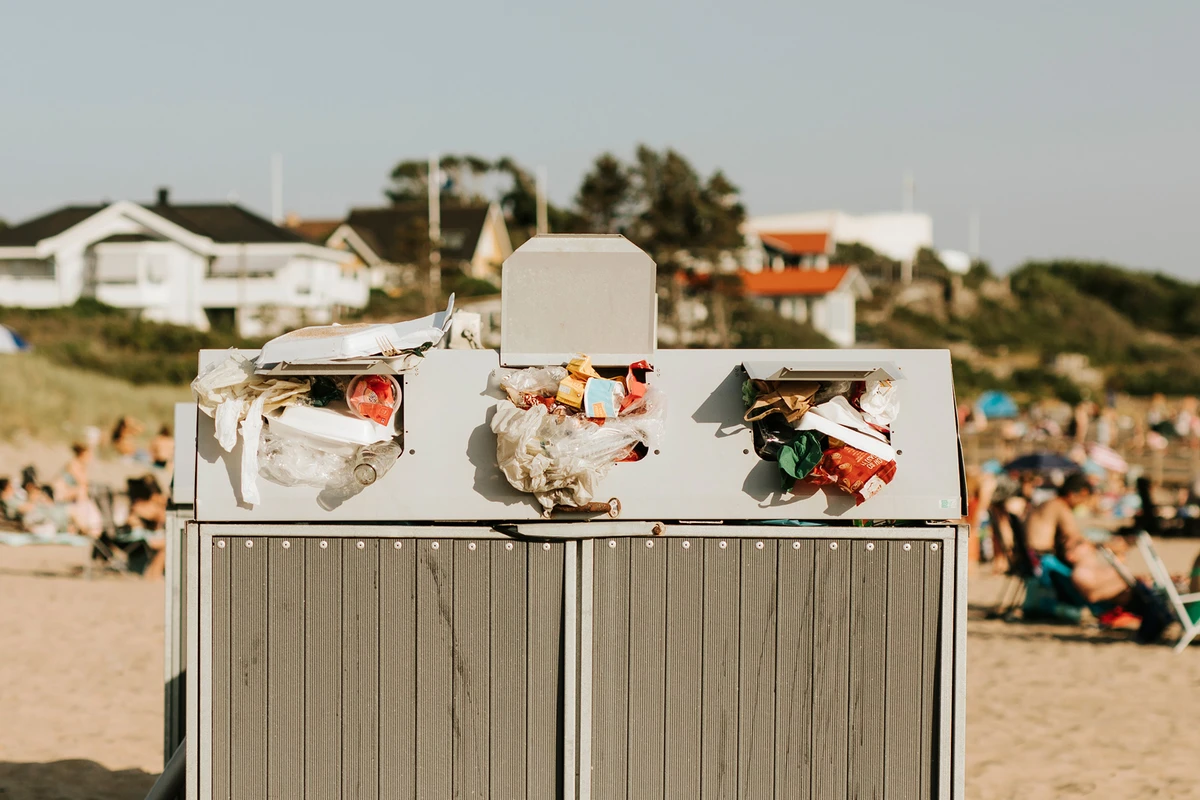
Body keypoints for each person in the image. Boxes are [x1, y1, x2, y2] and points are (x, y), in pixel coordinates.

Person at [1027, 473, 1168, 641]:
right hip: (1044, 562)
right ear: (1076, 494)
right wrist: (1106, 545)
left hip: (1035, 559)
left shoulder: (1047, 504)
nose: (1082, 504)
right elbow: (1075, 538)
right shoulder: (1060, 506)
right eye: (1084, 499)